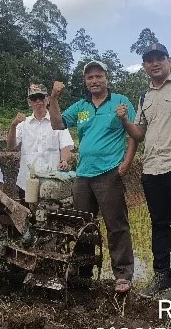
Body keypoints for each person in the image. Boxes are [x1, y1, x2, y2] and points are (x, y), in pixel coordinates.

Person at [117, 43, 171, 301]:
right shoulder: (145, 97)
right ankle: (161, 275)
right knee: (159, 224)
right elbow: (140, 134)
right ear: (144, 66)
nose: (154, 63)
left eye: (159, 58)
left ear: (169, 61)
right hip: (151, 169)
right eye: (149, 60)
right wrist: (124, 121)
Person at [48, 60, 136, 293]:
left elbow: (134, 135)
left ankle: (123, 275)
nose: (94, 81)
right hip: (83, 175)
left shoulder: (121, 102)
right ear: (85, 82)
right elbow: (57, 124)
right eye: (90, 77)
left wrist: (127, 163)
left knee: (116, 225)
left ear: (107, 78)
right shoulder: (81, 106)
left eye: (98, 76)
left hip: (109, 173)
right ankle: (82, 274)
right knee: (82, 227)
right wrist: (54, 98)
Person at [6, 83, 74, 200]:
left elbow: (65, 146)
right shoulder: (23, 124)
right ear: (29, 102)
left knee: (50, 217)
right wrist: (13, 126)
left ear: (47, 99)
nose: (38, 101)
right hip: (27, 182)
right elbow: (11, 145)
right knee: (27, 215)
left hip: (51, 183)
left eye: (41, 97)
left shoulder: (58, 122)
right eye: (34, 98)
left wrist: (64, 160)